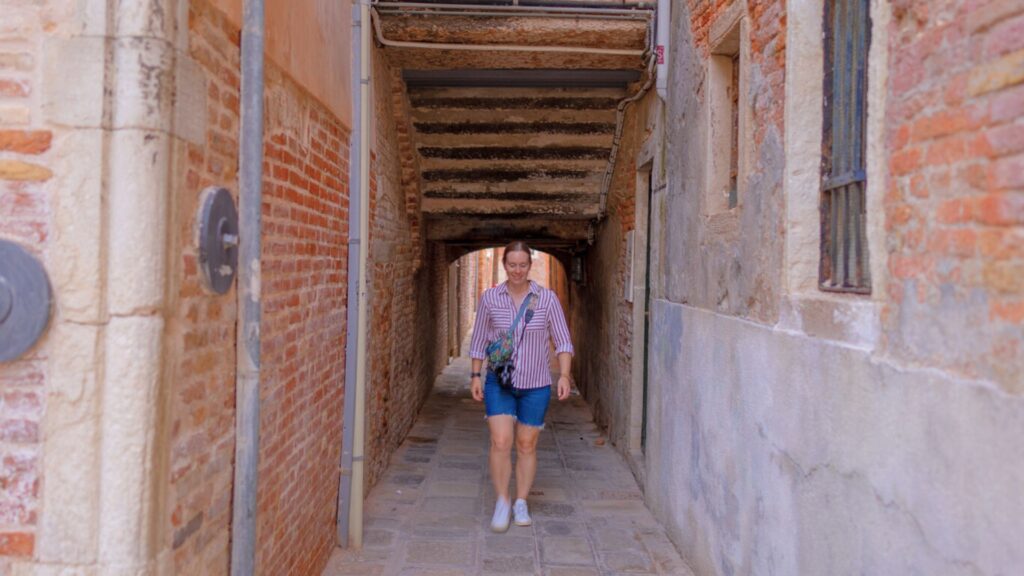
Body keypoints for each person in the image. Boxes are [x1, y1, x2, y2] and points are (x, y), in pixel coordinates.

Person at [468, 241, 574, 533]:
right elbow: (479, 341)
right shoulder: (490, 298)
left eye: (522, 265)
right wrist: (475, 376)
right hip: (499, 382)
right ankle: (502, 500)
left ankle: (521, 501)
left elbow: (563, 341)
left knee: (527, 444)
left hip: (536, 384)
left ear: (530, 266)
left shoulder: (547, 299)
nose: (517, 270)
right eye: (512, 265)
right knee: (501, 442)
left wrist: (564, 375)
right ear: (505, 265)